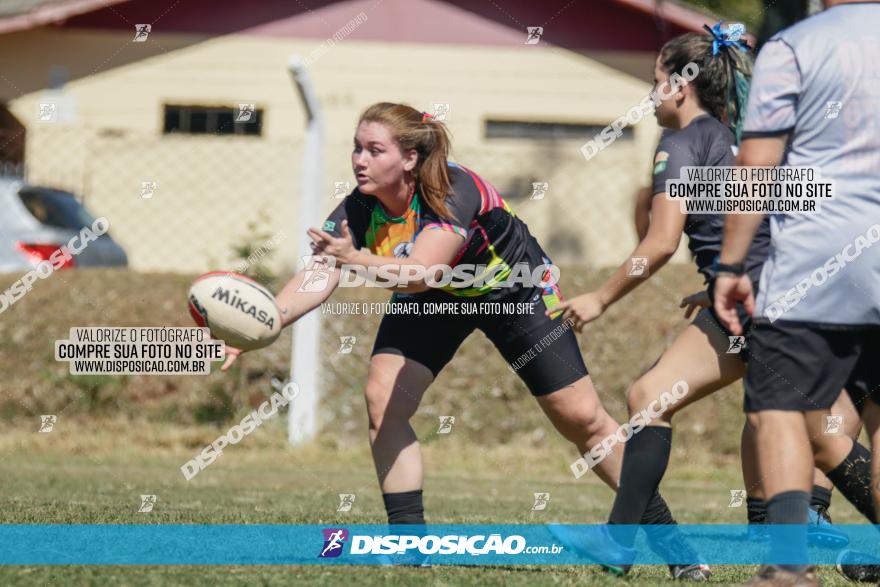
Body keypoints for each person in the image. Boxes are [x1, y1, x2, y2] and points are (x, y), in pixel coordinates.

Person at [222, 102, 706, 578]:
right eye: (356, 148)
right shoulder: (359, 208)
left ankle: (677, 549)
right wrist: (263, 322)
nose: (359, 160)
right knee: (382, 402)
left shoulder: (453, 190)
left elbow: (421, 272)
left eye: (374, 149)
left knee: (582, 418)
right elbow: (320, 272)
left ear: (409, 158)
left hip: (514, 290)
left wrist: (355, 259)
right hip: (438, 298)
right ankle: (409, 547)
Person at [549, 23, 859, 570]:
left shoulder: (683, 142)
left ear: (680, 86)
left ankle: (632, 543)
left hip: (766, 302)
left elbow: (661, 243)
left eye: (655, 82)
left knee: (821, 437)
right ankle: (624, 542)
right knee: (651, 396)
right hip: (773, 293)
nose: (650, 95)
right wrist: (719, 278)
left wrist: (601, 296)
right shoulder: (735, 137)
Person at [712, 1, 880, 584]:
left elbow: (757, 162)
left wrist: (732, 263)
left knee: (779, 405)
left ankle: (787, 564)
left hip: (818, 258)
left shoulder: (795, 46)